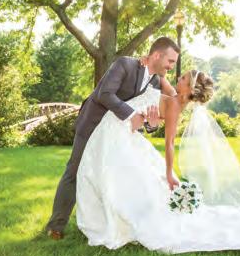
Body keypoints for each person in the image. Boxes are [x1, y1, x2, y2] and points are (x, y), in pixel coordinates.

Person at [76, 70, 240, 253]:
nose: (179, 77)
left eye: (184, 77)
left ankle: (123, 222)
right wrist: (154, 67)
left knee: (125, 181)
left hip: (122, 133)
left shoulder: (175, 106)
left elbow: (170, 143)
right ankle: (120, 217)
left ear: (188, 89)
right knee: (127, 180)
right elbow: (159, 79)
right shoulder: (173, 96)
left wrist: (170, 173)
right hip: (121, 131)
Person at [45, 37, 180, 239]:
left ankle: (107, 223)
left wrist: (151, 125)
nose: (171, 66)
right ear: (157, 55)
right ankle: (56, 226)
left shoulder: (154, 82)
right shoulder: (125, 64)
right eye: (170, 61)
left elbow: (146, 114)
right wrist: (131, 115)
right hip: (93, 125)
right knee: (75, 170)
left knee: (111, 176)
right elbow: (105, 94)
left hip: (117, 135)